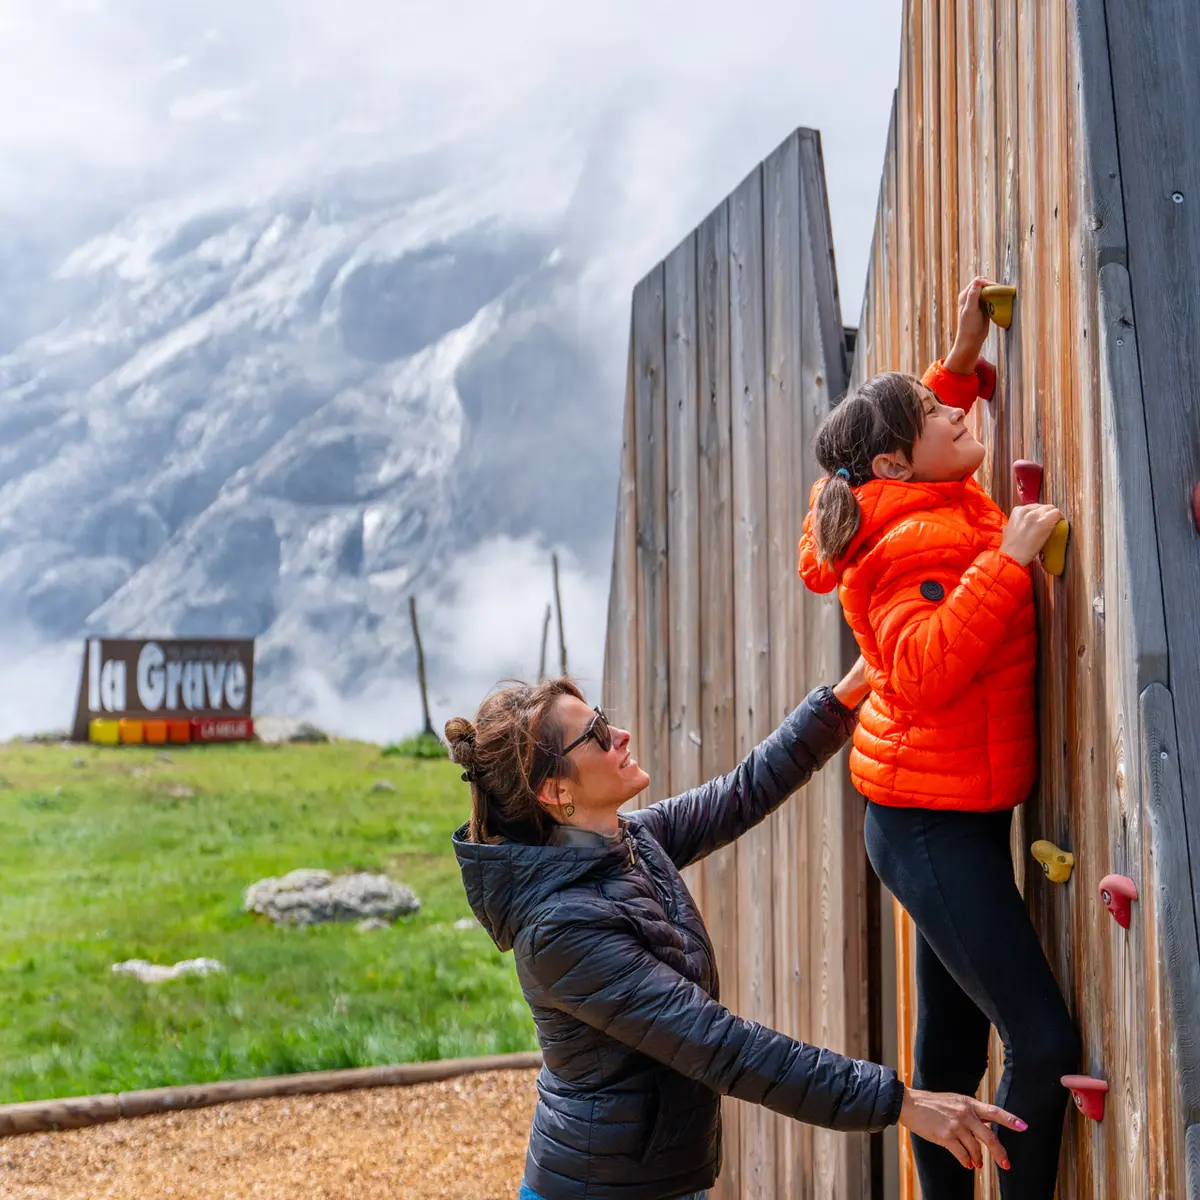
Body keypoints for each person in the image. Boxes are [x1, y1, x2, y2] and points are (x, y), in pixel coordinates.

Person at [449, 660, 1025, 1200]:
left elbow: (741, 793)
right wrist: (902, 1103)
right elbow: (723, 1046)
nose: (618, 735)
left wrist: (844, 697)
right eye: (595, 734)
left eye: (603, 717)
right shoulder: (561, 931)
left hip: (660, 1176)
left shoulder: (628, 842)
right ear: (556, 792)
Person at [797, 276, 1079, 1199]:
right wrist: (1008, 560)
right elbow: (921, 670)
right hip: (930, 824)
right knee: (1042, 1041)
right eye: (936, 413)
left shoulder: (906, 498)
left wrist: (957, 363)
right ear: (894, 463)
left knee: (951, 1056)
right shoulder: (904, 543)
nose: (955, 412)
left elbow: (906, 445)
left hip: (944, 807)